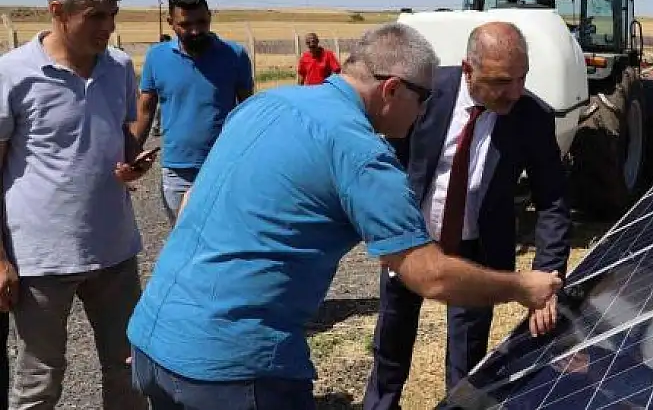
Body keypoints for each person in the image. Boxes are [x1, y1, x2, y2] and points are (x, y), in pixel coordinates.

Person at [126, 22, 563, 410]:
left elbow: (190, 206)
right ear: (392, 89)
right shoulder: (362, 154)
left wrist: (176, 328)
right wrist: (521, 285)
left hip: (152, 344)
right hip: (237, 373)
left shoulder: (265, 105)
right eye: (423, 98)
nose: (424, 111)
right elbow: (430, 276)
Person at [364, 21, 572, 409]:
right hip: (412, 242)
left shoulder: (531, 116)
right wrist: (386, 229)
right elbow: (387, 163)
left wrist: (549, 275)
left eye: (521, 77)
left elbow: (553, 200)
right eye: (499, 81)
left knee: (468, 362)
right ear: (467, 69)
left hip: (477, 252)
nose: (514, 91)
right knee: (390, 347)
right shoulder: (424, 93)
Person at [0, 0, 155, 410]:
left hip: (115, 251)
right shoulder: (12, 74)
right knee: (39, 380)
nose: (108, 26)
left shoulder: (120, 66)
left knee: (128, 369)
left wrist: (130, 164)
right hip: (40, 260)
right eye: (96, 15)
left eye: (113, 14)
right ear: (58, 11)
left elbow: (120, 135)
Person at [131, 0, 254, 222]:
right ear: (170, 22)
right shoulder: (157, 57)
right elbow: (145, 109)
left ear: (210, 16)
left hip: (225, 166)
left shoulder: (234, 55)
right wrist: (132, 152)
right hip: (178, 172)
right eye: (186, 25)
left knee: (225, 239)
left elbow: (247, 109)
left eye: (202, 22)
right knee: (184, 244)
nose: (196, 30)